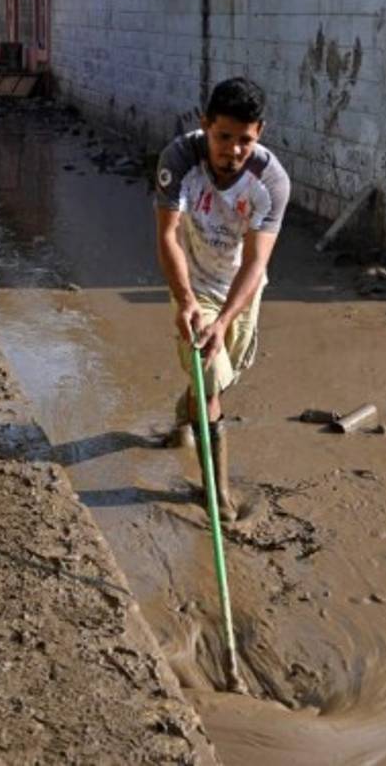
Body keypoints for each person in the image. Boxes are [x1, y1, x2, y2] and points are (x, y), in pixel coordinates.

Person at [154, 77, 290, 520]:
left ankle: (186, 408)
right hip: (194, 286)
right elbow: (168, 235)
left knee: (222, 376)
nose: (232, 151)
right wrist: (186, 302)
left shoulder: (270, 181)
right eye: (223, 137)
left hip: (240, 291)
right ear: (205, 124)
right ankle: (217, 494)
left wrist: (226, 319)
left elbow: (255, 262)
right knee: (212, 379)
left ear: (260, 132)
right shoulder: (177, 160)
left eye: (244, 141)